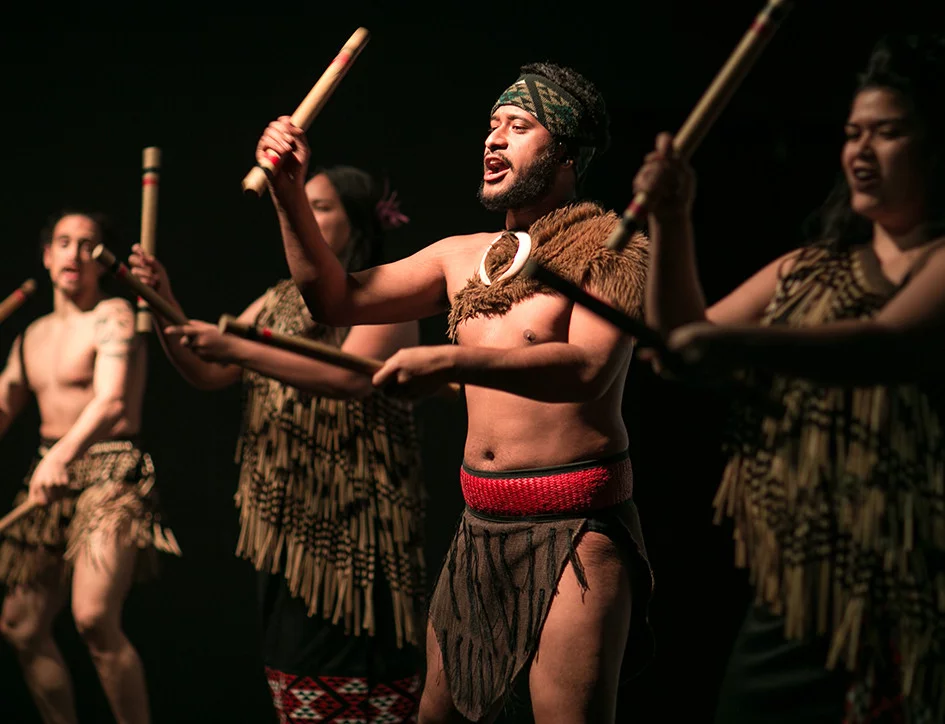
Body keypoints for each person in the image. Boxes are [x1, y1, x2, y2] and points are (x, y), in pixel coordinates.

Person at [255, 61, 654, 723]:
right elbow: (335, 297)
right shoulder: (457, 255)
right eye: (492, 125)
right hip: (480, 526)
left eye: (518, 127)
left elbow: (586, 368)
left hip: (576, 531)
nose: (494, 140)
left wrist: (451, 363)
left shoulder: (611, 249)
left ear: (564, 153)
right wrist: (288, 193)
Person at [634, 33, 945, 723]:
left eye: (888, 133)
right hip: (798, 589)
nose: (860, 152)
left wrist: (726, 343)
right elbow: (677, 339)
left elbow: (886, 345)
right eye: (851, 133)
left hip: (911, 589)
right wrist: (673, 218)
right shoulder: (803, 269)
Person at [128, 166, 428, 724]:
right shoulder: (275, 301)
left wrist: (237, 350)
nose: (303, 216)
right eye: (299, 204)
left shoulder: (388, 293)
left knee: (363, 676)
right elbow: (206, 367)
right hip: (288, 522)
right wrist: (160, 296)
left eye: (321, 206)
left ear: (358, 220)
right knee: (295, 673)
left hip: (358, 533)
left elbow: (350, 381)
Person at [0, 210, 180, 724]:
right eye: (63, 242)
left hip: (108, 474)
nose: (73, 253)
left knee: (95, 619)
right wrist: (50, 460)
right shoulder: (31, 335)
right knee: (20, 626)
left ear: (102, 262)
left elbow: (110, 402)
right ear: (46, 255)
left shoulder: (114, 315)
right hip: (47, 480)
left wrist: (61, 455)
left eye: (87, 244)